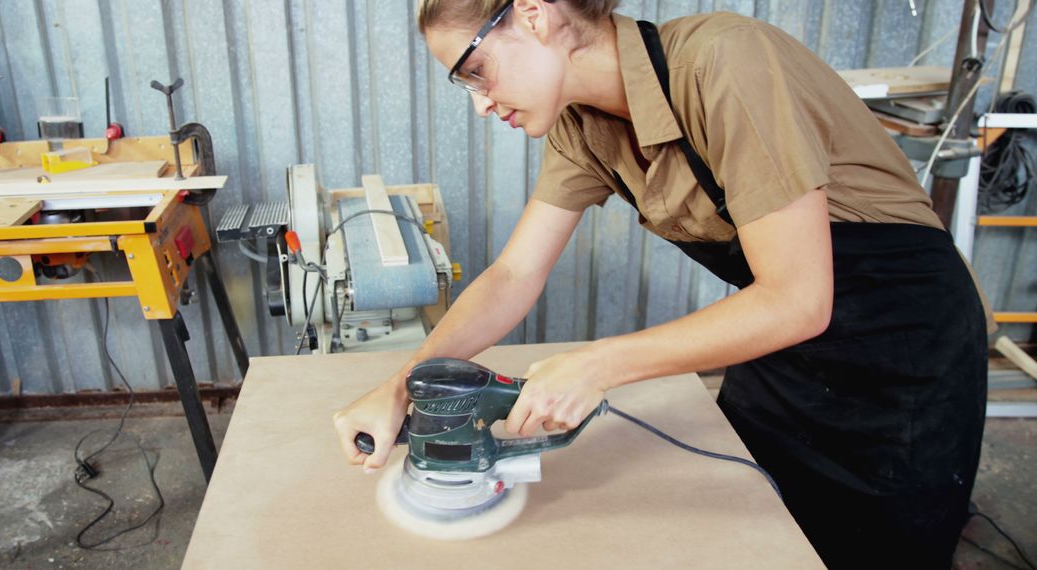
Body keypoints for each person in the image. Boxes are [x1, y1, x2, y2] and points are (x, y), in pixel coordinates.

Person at [333, 1, 993, 568]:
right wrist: (404, 385)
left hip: (903, 346)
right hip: (783, 352)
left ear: (535, 15)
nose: (480, 104)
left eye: (476, 71)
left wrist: (595, 364)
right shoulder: (580, 129)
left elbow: (798, 297)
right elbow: (514, 272)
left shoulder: (726, 64)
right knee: (756, 527)